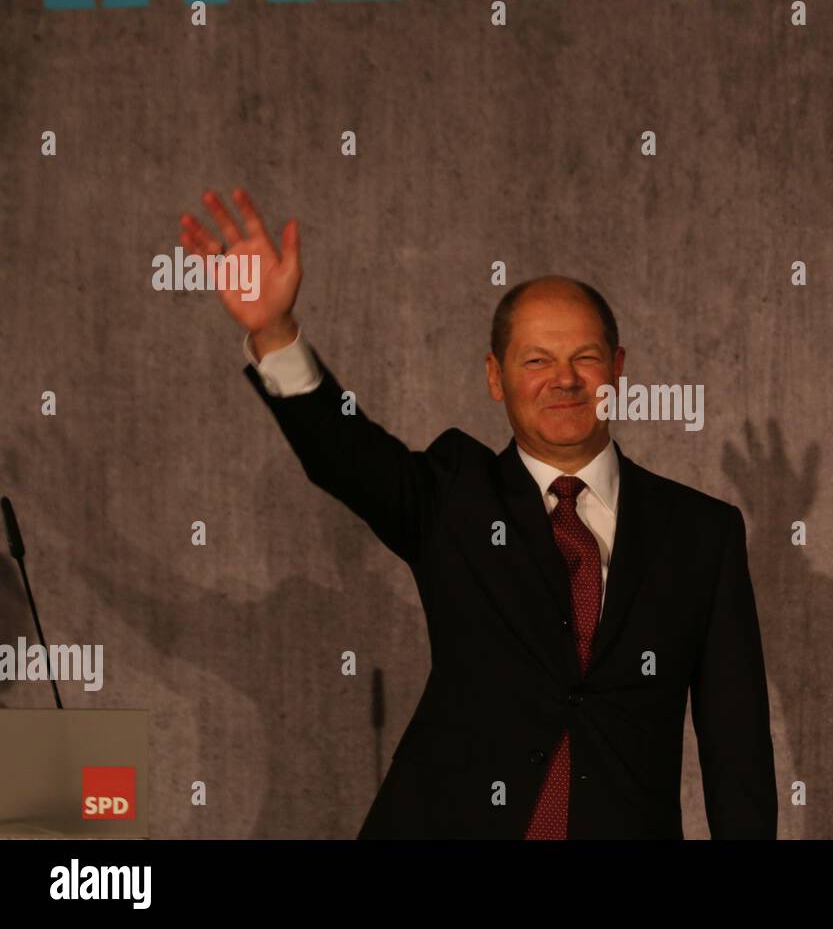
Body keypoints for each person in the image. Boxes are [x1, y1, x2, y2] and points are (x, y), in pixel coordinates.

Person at [178, 188, 778, 839]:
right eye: (537, 360)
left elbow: (736, 748)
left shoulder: (701, 533)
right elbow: (343, 452)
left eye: (584, 357)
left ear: (618, 370)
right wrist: (272, 330)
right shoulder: (453, 497)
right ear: (496, 377)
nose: (565, 380)